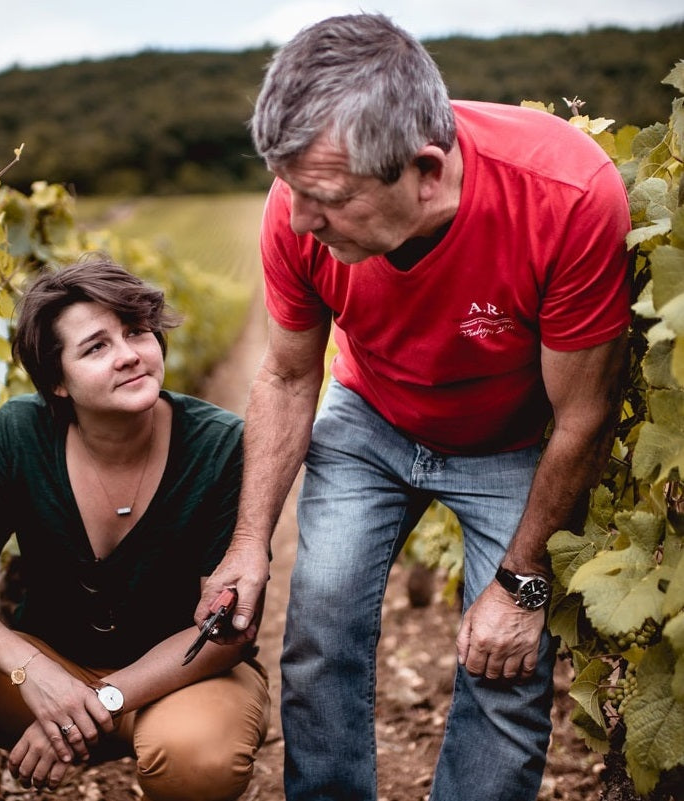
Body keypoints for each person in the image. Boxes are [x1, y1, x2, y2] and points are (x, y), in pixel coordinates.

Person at [196, 12, 630, 801]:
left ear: (425, 171)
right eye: (291, 191)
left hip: (514, 439)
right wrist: (249, 544)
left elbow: (584, 416)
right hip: (371, 416)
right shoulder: (300, 211)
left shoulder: (566, 198)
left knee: (506, 661)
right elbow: (291, 376)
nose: (298, 222)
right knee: (320, 623)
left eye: (326, 199)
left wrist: (522, 584)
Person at [0, 257, 270, 801]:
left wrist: (94, 704)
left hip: (181, 682)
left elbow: (225, 633)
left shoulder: (221, 447)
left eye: (136, 332)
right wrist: (31, 671)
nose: (129, 356)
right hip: (46, 675)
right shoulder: (19, 434)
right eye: (96, 347)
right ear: (56, 381)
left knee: (198, 757)